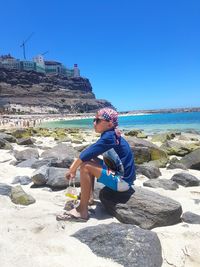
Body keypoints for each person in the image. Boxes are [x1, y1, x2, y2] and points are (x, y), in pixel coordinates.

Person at [56, 107, 135, 222]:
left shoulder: (109, 137)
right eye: (94, 119)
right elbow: (89, 153)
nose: (94, 123)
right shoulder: (111, 134)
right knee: (91, 159)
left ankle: (82, 211)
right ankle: (89, 198)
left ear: (109, 124)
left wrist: (72, 169)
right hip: (121, 175)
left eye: (98, 120)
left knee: (86, 167)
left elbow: (85, 154)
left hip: (122, 182)